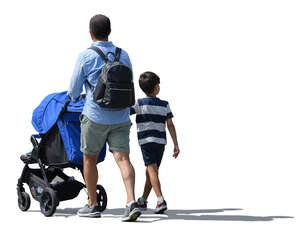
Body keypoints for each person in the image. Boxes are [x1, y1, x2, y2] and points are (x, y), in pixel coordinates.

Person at [67, 14, 141, 221]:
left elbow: (73, 90)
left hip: (95, 116)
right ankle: (130, 201)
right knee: (123, 159)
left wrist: (73, 97)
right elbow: (130, 83)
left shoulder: (85, 56)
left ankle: (93, 205)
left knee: (89, 159)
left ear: (90, 33)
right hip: (121, 116)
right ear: (110, 31)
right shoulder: (123, 54)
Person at [130, 71, 180, 214]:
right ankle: (145, 200)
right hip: (160, 142)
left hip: (146, 141)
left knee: (151, 171)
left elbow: (125, 113)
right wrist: (175, 144)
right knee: (152, 171)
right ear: (156, 87)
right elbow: (170, 124)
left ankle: (159, 200)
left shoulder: (138, 103)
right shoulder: (165, 105)